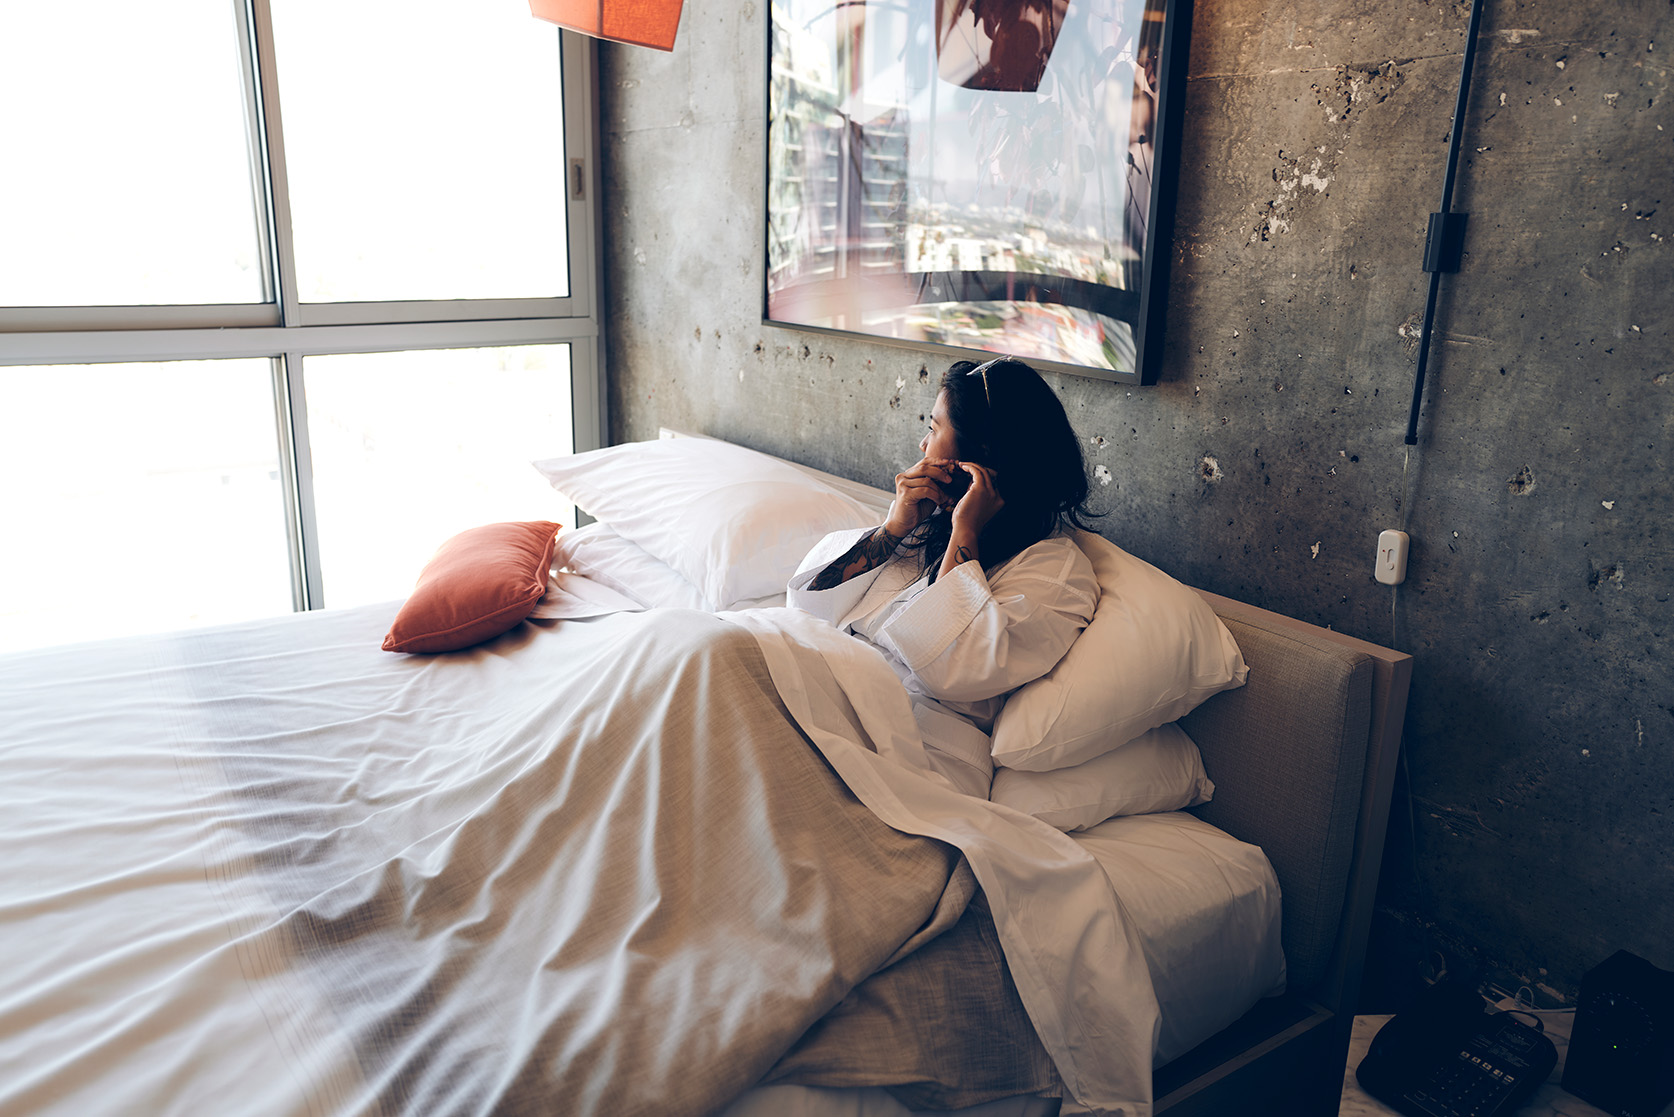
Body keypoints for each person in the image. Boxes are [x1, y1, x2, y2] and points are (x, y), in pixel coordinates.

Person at [787, 356, 1101, 799]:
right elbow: (810, 604)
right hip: (833, 699)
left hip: (915, 753)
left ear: (982, 455)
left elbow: (949, 665)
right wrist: (892, 529)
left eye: (934, 429)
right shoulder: (923, 526)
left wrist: (967, 530)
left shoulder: (1054, 571)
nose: (922, 444)